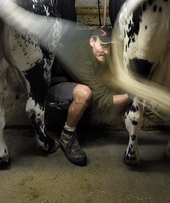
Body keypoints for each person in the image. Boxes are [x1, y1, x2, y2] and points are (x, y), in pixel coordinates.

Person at [46, 26, 130, 166]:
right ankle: (67, 136)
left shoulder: (98, 53)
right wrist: (131, 97)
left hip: (72, 80)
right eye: (103, 45)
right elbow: (103, 98)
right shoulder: (79, 57)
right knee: (85, 94)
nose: (106, 51)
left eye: (109, 47)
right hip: (53, 87)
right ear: (92, 41)